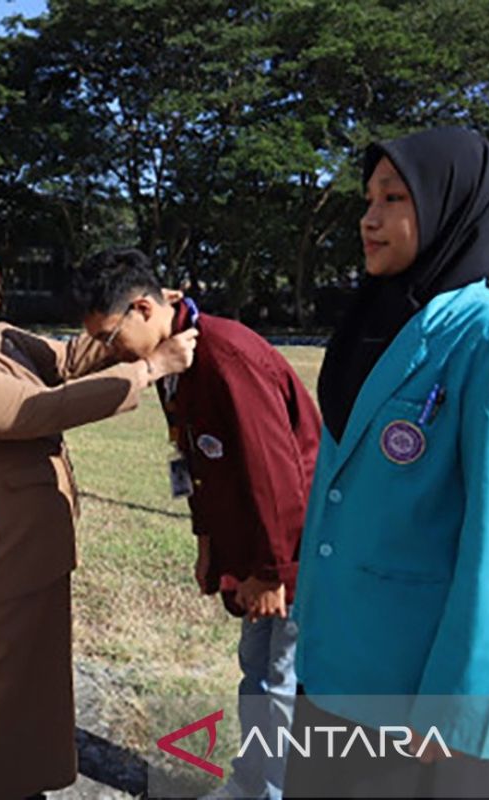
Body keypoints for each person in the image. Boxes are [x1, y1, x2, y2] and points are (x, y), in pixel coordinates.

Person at [285, 127, 489, 798]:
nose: (369, 218)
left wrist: (456, 703)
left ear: (448, 207)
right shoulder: (369, 321)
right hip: (332, 662)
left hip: (413, 692)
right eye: (368, 197)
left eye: (394, 197)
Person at [0, 236, 196, 799]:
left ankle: (22, 782)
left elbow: (69, 361)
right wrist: (148, 369)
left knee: (33, 682)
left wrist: (130, 318)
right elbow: (39, 410)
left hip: (29, 542)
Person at [73, 249, 321, 800]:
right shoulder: (177, 356)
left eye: (111, 337)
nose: (111, 352)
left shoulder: (226, 357)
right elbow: (189, 456)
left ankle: (274, 789)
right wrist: (205, 540)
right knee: (256, 670)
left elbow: (276, 474)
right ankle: (251, 781)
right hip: (245, 549)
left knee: (283, 679)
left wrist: (272, 571)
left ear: (142, 308)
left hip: (288, 555)